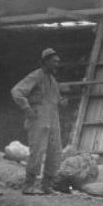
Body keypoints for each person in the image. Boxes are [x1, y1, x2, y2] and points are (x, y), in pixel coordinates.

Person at [11, 48, 67, 195]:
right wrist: (26, 108)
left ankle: (47, 185)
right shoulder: (35, 76)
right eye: (54, 62)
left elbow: (55, 99)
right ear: (45, 62)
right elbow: (17, 91)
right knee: (37, 150)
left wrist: (62, 102)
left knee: (55, 151)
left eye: (58, 62)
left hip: (53, 119)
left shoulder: (52, 80)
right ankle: (28, 185)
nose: (57, 64)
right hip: (38, 118)